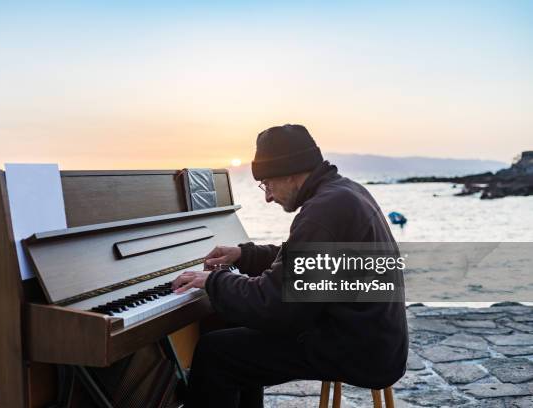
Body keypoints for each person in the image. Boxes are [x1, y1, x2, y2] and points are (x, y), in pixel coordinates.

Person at [172, 124, 408, 408]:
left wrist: (212, 281)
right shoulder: (344, 192)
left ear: (292, 173)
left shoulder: (324, 210)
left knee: (217, 353)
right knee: (233, 325)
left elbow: (275, 305)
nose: (267, 196)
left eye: (267, 184)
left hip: (357, 347)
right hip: (370, 335)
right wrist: (243, 255)